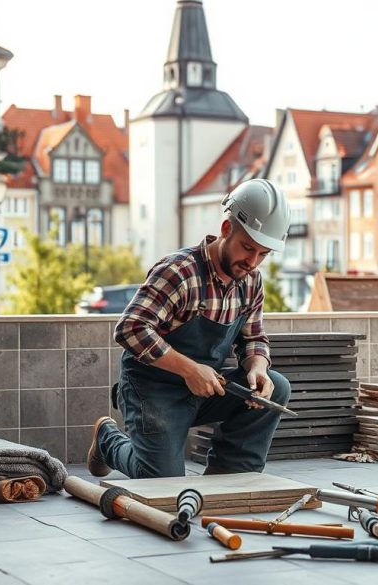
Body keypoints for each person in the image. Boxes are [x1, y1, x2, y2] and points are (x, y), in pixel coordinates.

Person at [87, 179, 292, 479]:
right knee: (161, 481)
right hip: (153, 391)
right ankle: (108, 440)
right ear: (226, 230)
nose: (252, 261)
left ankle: (229, 475)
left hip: (206, 387)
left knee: (277, 387)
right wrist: (189, 370)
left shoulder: (251, 282)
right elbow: (130, 328)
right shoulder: (178, 272)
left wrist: (257, 367)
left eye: (263, 254)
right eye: (247, 247)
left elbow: (254, 339)